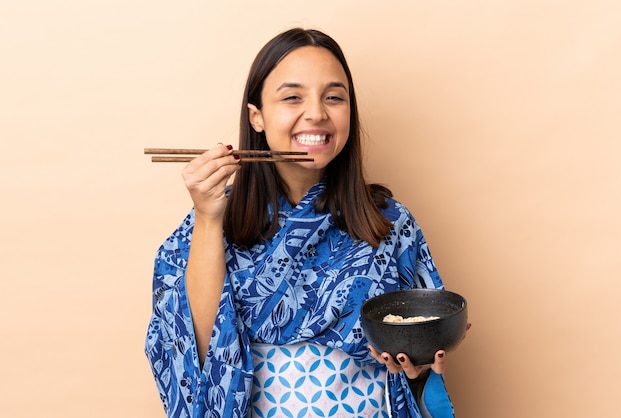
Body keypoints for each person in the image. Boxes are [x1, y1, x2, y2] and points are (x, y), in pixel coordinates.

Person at [145, 27, 463, 418]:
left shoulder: (389, 222)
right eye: (293, 97)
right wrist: (209, 219)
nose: (316, 113)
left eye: (334, 97)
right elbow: (203, 354)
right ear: (256, 117)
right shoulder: (213, 221)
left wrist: (419, 363)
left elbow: (416, 345)